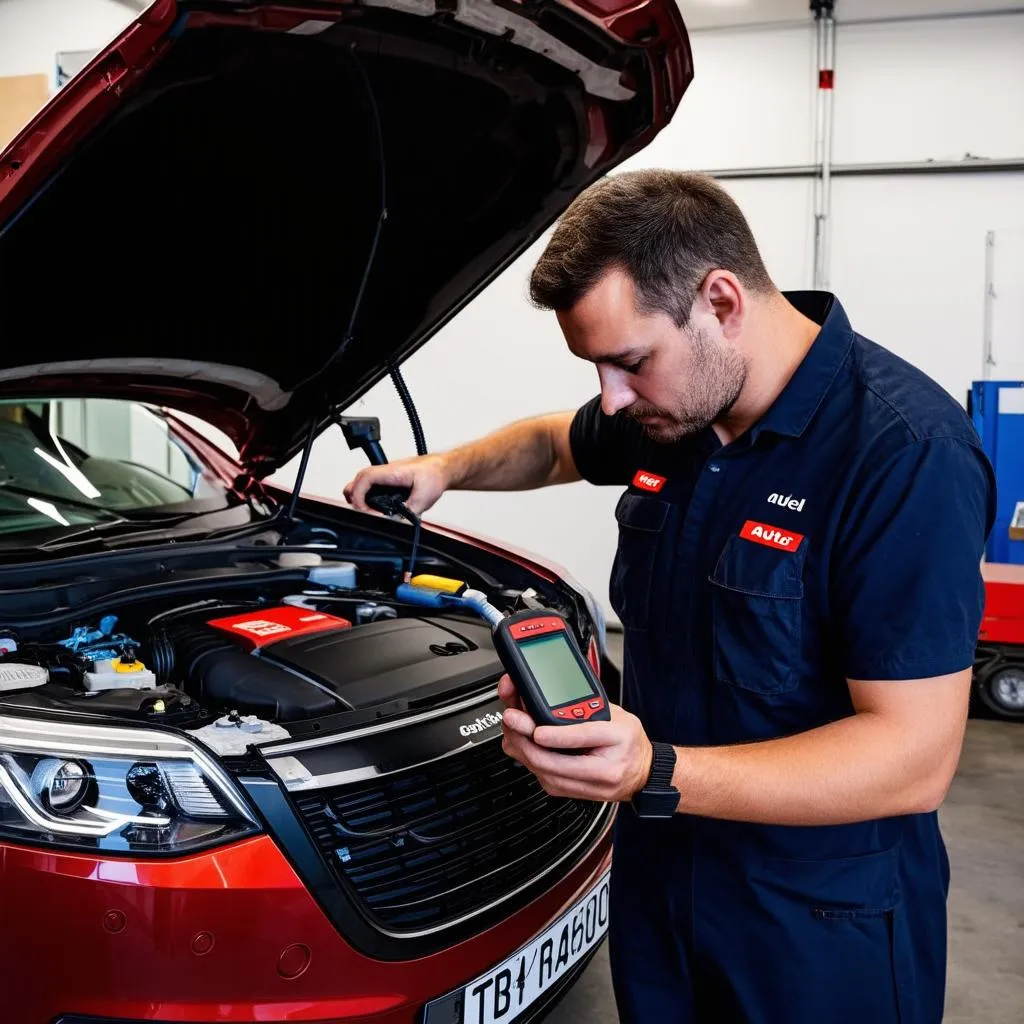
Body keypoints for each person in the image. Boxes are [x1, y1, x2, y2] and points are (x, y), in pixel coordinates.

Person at [343, 170, 995, 1024]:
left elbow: (913, 759)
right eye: (597, 369)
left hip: (817, 923)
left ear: (721, 301)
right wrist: (443, 469)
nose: (611, 398)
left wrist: (657, 771)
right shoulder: (677, 407)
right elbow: (551, 445)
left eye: (629, 362)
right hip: (661, 884)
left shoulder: (904, 456)